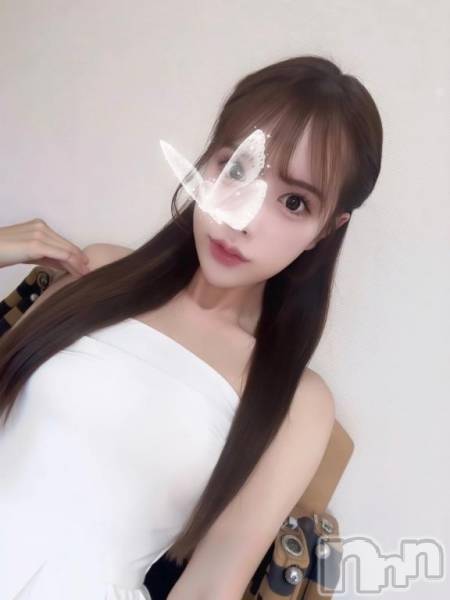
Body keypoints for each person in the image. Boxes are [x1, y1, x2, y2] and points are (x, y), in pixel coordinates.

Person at [0, 55, 383, 600]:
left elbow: (209, 588)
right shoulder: (98, 270)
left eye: (294, 202)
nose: (241, 217)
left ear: (327, 229)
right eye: (237, 169)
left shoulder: (297, 402)